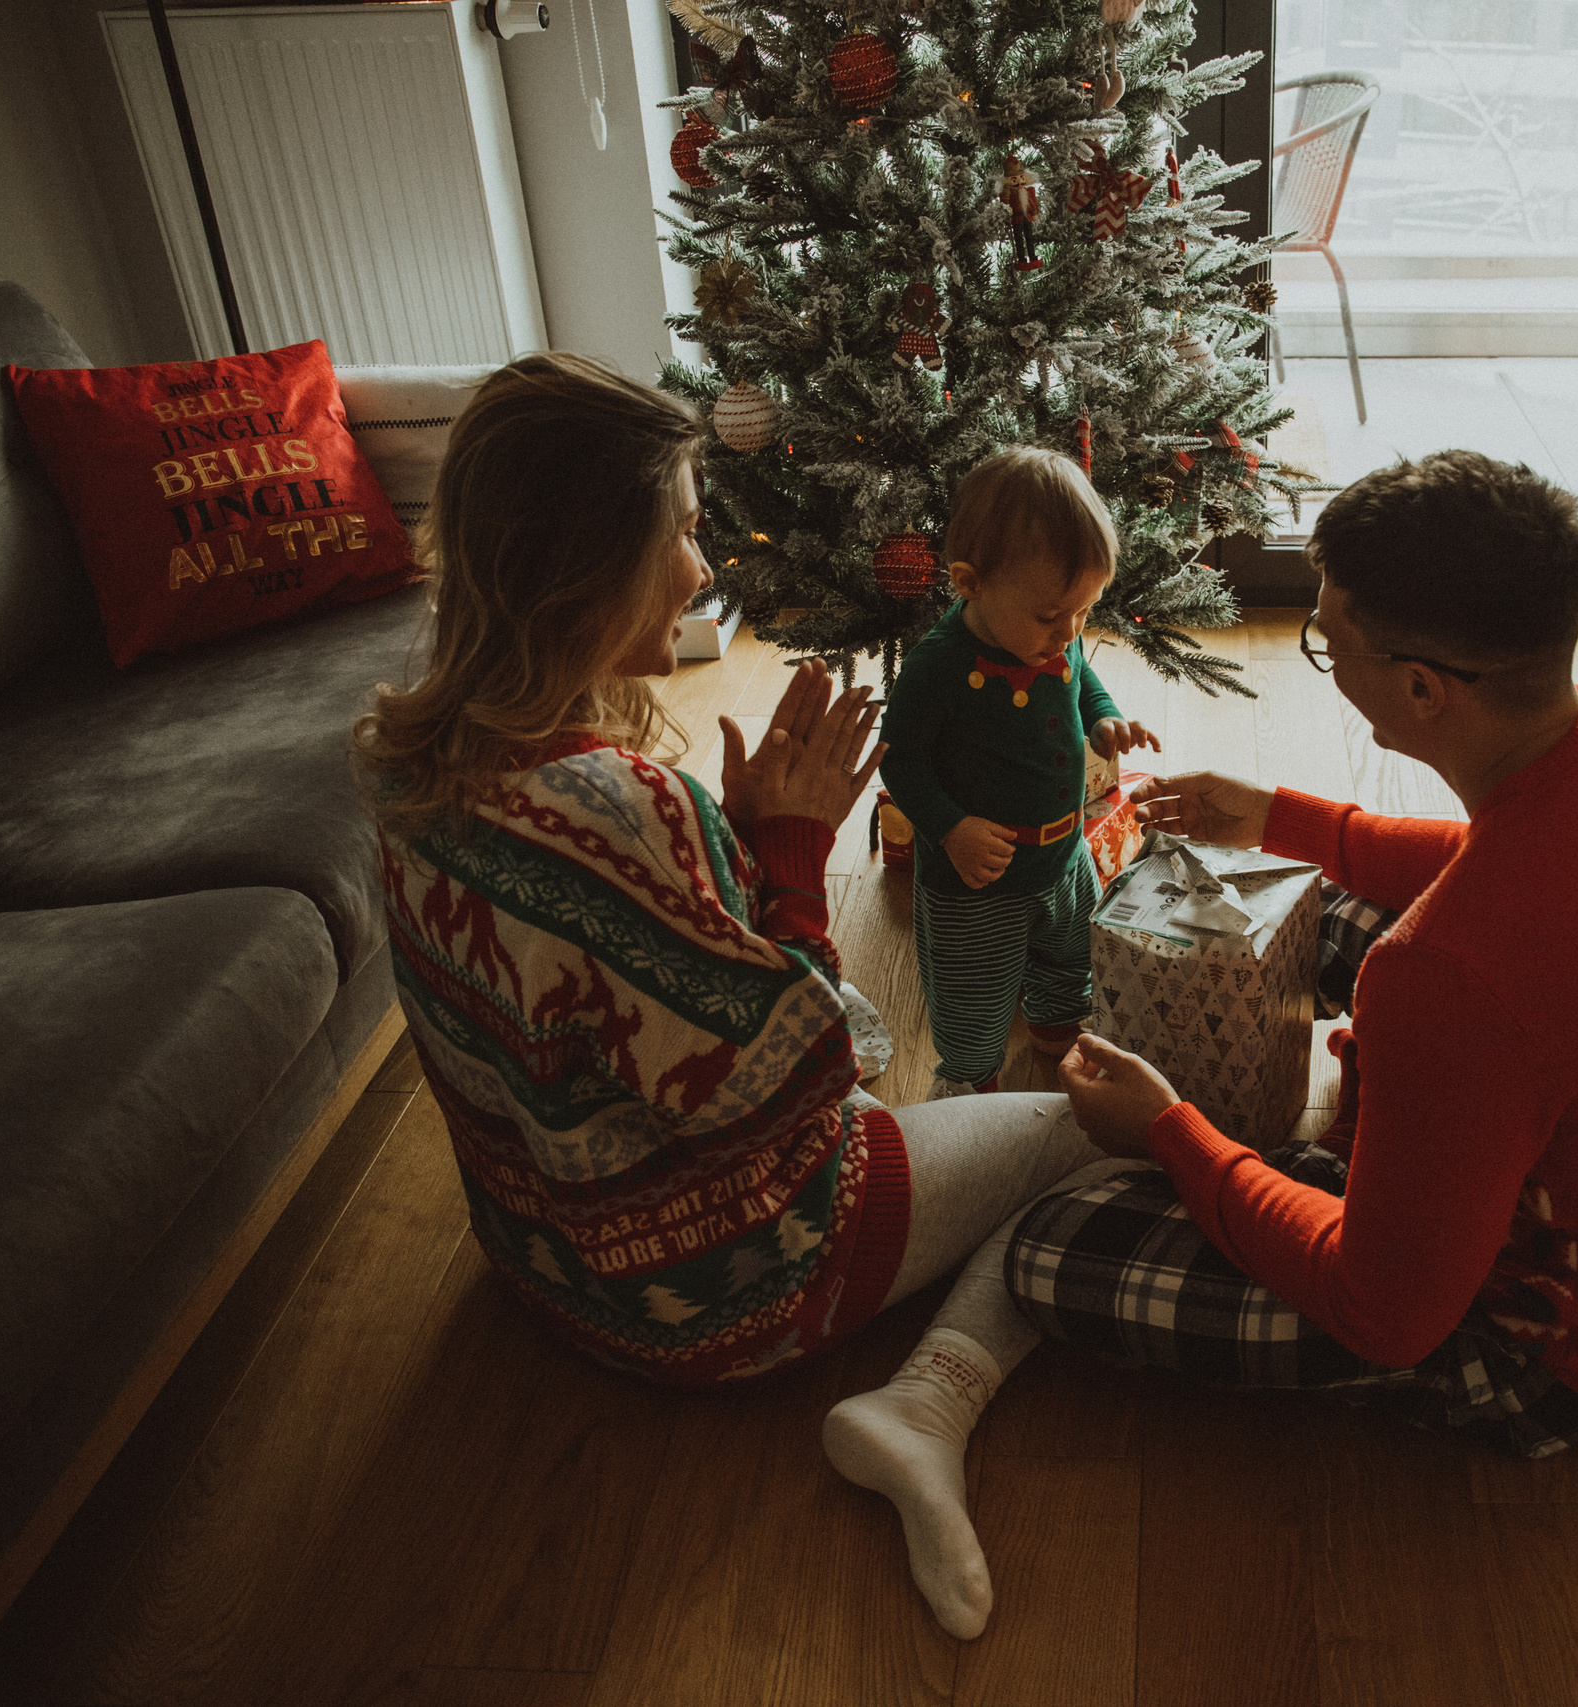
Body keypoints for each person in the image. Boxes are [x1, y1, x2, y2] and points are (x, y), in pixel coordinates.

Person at [352, 354, 1117, 1639]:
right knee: (1097, 1124)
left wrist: (743, 864)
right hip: (723, 1296)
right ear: (587, 560)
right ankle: (923, 1408)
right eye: (688, 532)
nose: (703, 569)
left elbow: (614, 1018)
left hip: (544, 1259)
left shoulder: (402, 761)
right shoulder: (614, 807)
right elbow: (822, 1075)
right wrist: (791, 864)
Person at [1018, 448, 1578, 1458]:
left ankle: (1293, 1176)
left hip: (1564, 1361)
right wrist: (1287, 820)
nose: (1322, 652)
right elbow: (1517, 870)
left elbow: (1386, 1315)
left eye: (1326, 637)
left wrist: (1171, 1134)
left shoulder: (1445, 978)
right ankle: (1339, 1168)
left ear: (1420, 689)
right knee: (1347, 912)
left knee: (1048, 1246)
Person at [877, 446, 1160, 1099]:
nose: (1068, 632)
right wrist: (949, 827)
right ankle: (970, 1090)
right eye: (1050, 616)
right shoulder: (939, 667)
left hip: (1064, 859)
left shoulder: (1054, 632)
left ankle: (1058, 1043)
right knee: (972, 1002)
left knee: (1071, 965)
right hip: (975, 885)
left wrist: (1106, 719)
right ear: (970, 583)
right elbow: (900, 758)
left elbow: (1082, 677)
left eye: (1083, 612)